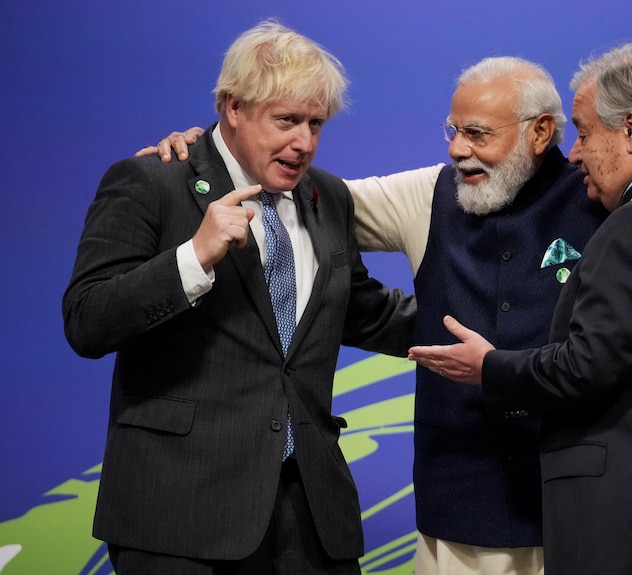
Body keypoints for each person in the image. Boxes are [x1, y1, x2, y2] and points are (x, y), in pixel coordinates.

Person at [143, 57, 632, 574]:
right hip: (459, 514)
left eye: (478, 133)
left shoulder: (613, 197)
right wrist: (213, 158)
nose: (458, 149)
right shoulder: (427, 192)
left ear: (542, 132)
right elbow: (297, 203)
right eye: (451, 130)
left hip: (578, 517)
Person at [63, 21, 416, 575]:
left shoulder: (328, 196)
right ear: (233, 107)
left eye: (315, 123)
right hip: (178, 516)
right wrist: (194, 256)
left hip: (311, 516)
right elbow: (87, 321)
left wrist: (504, 330)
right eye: (286, 120)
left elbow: (364, 311)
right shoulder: (152, 182)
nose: (303, 141)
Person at [409, 42, 632, 574]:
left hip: (630, 527)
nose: (574, 153)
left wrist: (489, 367)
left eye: (584, 132)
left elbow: (586, 366)